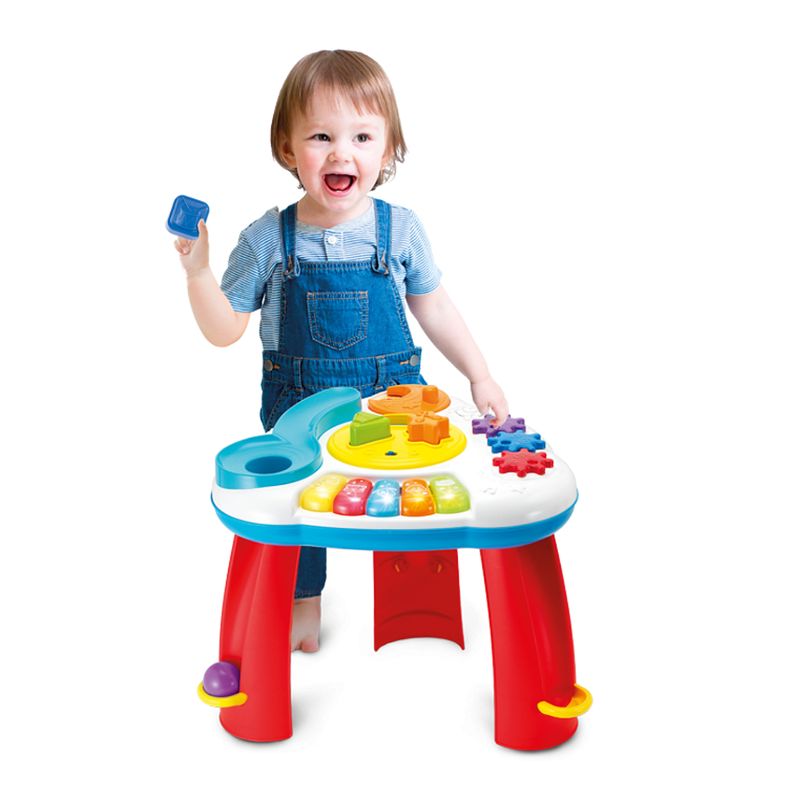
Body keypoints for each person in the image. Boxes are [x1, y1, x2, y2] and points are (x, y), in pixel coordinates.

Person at [175, 50, 508, 654]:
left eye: (361, 137)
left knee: (414, 489)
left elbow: (434, 306)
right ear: (287, 148)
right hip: (300, 407)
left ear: (388, 149)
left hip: (396, 404)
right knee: (297, 503)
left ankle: (417, 600)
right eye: (321, 137)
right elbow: (224, 330)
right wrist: (198, 273)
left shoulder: (401, 229)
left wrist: (479, 374)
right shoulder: (267, 238)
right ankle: (302, 603)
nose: (341, 154)